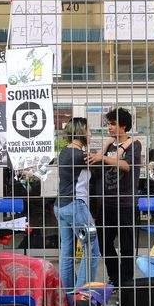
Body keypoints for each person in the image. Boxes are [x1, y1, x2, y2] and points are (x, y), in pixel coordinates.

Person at [88, 107, 142, 287]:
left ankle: (126, 283)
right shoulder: (110, 144)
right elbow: (97, 164)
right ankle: (115, 277)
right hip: (107, 203)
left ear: (123, 126)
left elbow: (126, 166)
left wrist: (103, 158)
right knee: (103, 241)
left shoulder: (134, 144)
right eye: (108, 124)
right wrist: (104, 148)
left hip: (126, 204)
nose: (109, 127)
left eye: (113, 124)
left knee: (127, 246)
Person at [55, 117, 101, 292]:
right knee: (92, 250)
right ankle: (81, 295)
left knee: (66, 252)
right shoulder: (80, 155)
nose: (90, 134)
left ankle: (68, 296)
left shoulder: (64, 152)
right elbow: (100, 162)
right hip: (75, 206)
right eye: (89, 130)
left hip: (61, 207)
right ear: (81, 131)